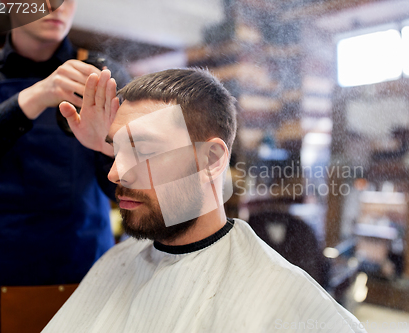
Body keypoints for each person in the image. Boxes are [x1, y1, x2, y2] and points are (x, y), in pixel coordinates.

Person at [42, 68, 367, 333]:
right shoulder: (116, 262)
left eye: (144, 150)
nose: (115, 173)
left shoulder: (282, 297)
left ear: (212, 160)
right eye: (117, 149)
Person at [0, 1, 130, 332]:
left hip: (86, 274)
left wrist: (110, 147)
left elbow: (123, 190)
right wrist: (37, 96)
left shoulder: (104, 75)